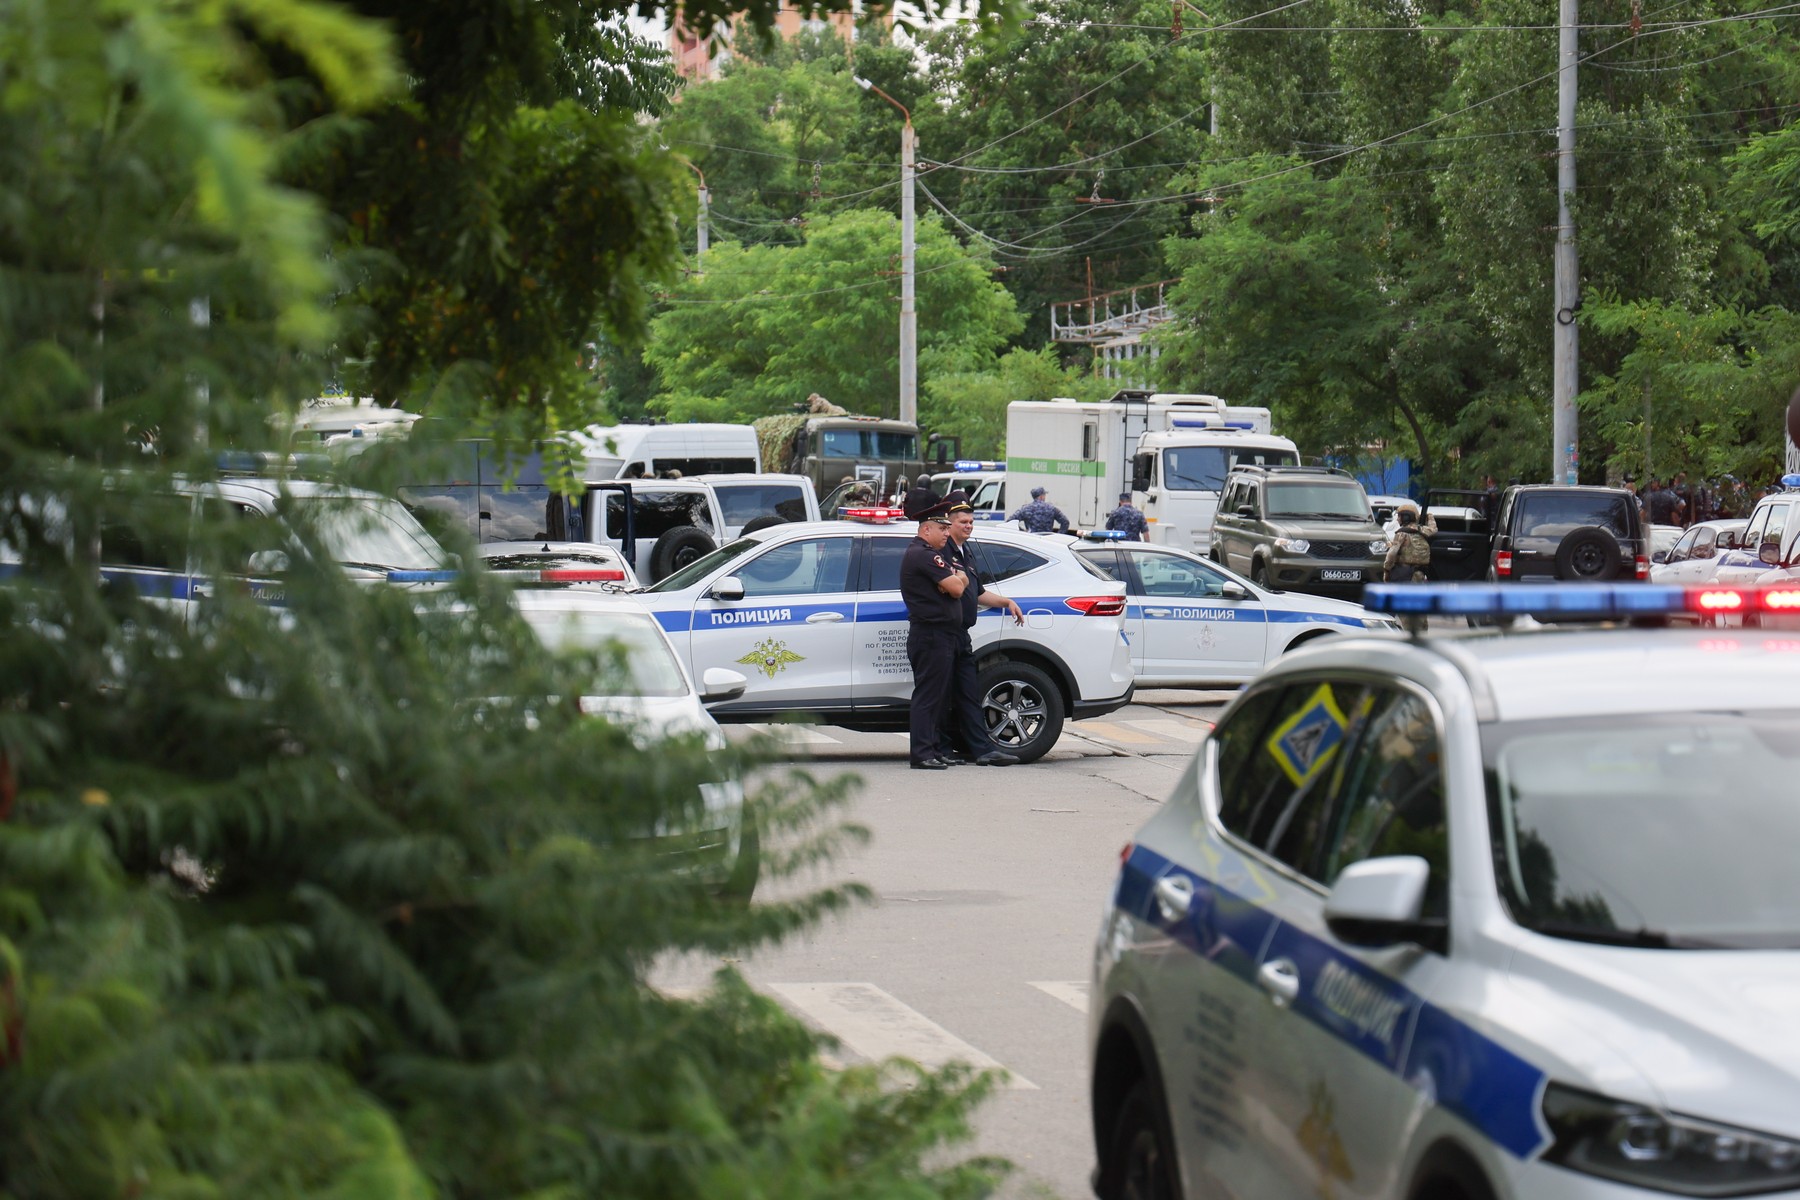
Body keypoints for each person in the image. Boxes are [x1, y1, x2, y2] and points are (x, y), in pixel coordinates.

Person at [935, 492, 1024, 766]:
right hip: (943, 633)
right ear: (948, 525)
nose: (968, 526)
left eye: (971, 521)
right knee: (941, 695)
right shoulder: (941, 552)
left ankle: (982, 750)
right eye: (963, 521)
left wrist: (1006, 601)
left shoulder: (965, 552)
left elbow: (978, 592)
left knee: (968, 693)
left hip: (962, 636)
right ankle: (940, 749)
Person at [897, 489, 969, 770]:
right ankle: (922, 753)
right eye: (942, 528)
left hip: (940, 635)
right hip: (931, 635)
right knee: (928, 697)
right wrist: (957, 579)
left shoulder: (932, 554)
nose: (945, 533)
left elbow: (956, 583)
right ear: (926, 529)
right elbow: (955, 588)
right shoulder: (924, 555)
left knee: (937, 697)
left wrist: (956, 579)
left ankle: (933, 750)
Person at [1383, 507, 1433, 582]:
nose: (1397, 519)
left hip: (1404, 574)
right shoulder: (1422, 530)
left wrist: (1386, 570)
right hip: (1421, 573)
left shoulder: (1401, 534)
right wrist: (1430, 517)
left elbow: (1392, 554)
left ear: (1405, 518)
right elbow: (1433, 529)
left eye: (1399, 517)